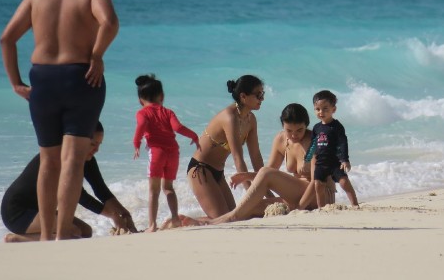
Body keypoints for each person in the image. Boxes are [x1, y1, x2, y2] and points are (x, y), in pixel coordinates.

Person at [0, 0, 119, 240]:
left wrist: (16, 83)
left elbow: (6, 39)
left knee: (49, 160)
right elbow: (110, 23)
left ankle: (45, 234)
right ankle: (63, 232)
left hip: (43, 81)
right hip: (82, 79)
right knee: (73, 161)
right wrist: (97, 55)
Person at [1, 122, 137, 242]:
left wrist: (124, 213)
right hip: (17, 212)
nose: (97, 150)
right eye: (92, 144)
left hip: (40, 209)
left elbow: (101, 190)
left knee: (86, 232)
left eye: (99, 145)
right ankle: (18, 239)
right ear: (81, 140)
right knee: (72, 232)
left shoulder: (88, 159)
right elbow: (78, 195)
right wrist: (113, 216)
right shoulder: (61, 156)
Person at [211, 102, 335, 224]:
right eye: (289, 130)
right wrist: (248, 176)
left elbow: (316, 183)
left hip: (320, 195)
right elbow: (267, 176)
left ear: (306, 125)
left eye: (299, 130)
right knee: (250, 210)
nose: (293, 135)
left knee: (264, 174)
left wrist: (298, 208)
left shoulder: (315, 141)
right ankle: (207, 222)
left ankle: (231, 217)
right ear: (283, 126)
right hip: (297, 196)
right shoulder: (281, 140)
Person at [186, 75, 266, 218]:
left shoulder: (251, 120)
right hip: (200, 169)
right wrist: (251, 193)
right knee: (223, 218)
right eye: (258, 95)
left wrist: (265, 187)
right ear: (243, 96)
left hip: (218, 172)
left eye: (263, 94)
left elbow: (256, 156)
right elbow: (238, 158)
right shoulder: (230, 118)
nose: (262, 99)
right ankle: (177, 223)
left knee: (232, 216)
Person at [132, 74, 200, 232]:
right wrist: (194, 136)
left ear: (140, 100)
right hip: (173, 152)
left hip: (156, 153)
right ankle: (175, 218)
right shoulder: (168, 112)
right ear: (162, 96)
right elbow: (178, 128)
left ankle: (152, 225)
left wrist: (136, 144)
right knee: (168, 188)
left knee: (153, 190)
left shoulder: (143, 113)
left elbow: (141, 126)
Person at [311, 90, 359, 207]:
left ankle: (355, 204)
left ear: (334, 109)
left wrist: (344, 160)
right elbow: (313, 145)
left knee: (343, 182)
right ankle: (321, 208)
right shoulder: (316, 128)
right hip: (321, 163)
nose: (321, 112)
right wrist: (307, 159)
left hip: (335, 162)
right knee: (318, 185)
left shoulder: (337, 126)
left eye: (325, 109)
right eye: (318, 109)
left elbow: (343, 142)